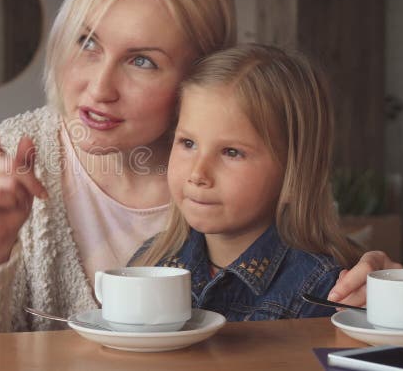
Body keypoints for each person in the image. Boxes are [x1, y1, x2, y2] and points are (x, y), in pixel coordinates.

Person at [0, 0, 399, 335]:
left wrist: (379, 289)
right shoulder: (20, 146)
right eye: (88, 42)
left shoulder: (250, 171)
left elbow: (318, 261)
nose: (98, 88)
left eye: (142, 61)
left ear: (200, 74)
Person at [128, 44, 360, 320]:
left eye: (231, 152)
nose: (198, 174)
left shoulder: (326, 292)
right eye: (188, 143)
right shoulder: (151, 261)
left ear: (293, 171)